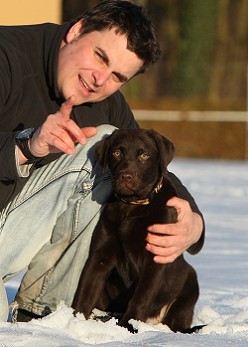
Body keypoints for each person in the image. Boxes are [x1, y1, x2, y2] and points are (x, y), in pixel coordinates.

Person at [0, 0, 204, 322]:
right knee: (99, 143)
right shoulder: (6, 55)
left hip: (10, 237)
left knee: (116, 155)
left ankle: (43, 314)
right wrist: (25, 146)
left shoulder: (107, 102)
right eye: (100, 56)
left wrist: (193, 221)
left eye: (117, 76)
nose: (99, 80)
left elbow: (154, 170)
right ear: (78, 30)